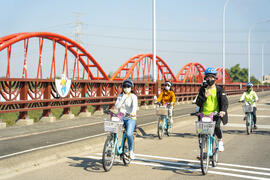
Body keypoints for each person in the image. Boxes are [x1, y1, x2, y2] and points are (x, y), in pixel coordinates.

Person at [195, 67, 228, 152]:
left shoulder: (219, 89)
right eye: (208, 77)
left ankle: (220, 140)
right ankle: (202, 151)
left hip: (215, 114)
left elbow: (225, 102)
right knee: (201, 133)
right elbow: (198, 102)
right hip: (204, 114)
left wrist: (223, 111)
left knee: (216, 127)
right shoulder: (203, 89)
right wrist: (204, 97)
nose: (210, 79)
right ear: (205, 78)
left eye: (212, 77)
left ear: (215, 78)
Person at [115, 79, 138, 159]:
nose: (126, 88)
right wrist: (123, 98)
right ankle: (112, 145)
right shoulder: (120, 96)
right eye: (124, 86)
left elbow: (134, 107)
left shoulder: (133, 97)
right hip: (121, 116)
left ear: (131, 87)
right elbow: (117, 106)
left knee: (128, 134)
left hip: (130, 118)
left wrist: (132, 113)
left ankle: (131, 151)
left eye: (128, 86)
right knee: (113, 130)